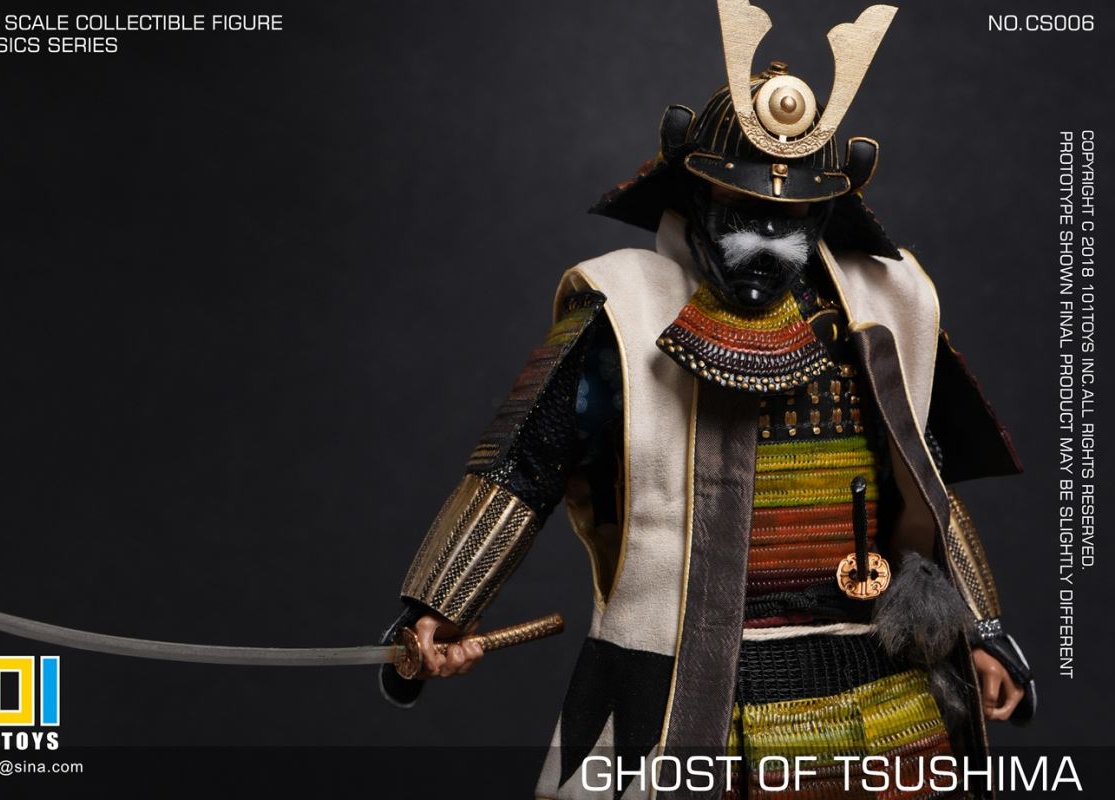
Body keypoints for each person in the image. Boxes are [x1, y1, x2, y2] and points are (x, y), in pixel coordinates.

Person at [381, 3, 1034, 797]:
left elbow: (925, 482)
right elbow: (522, 468)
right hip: (693, 687)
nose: (763, 244)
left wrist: (981, 627)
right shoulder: (623, 312)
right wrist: (439, 608)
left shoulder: (883, 307)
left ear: (825, 213)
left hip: (882, 687)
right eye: (741, 214)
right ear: (694, 196)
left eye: (788, 221)